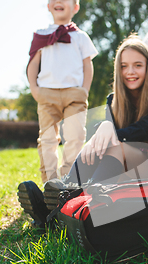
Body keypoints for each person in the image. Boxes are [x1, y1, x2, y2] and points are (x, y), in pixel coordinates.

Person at [19, 35, 148, 227]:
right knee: (98, 144)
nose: (130, 72)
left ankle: (68, 202)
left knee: (114, 146)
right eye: (124, 66)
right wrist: (104, 125)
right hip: (118, 165)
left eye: (137, 65)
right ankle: (57, 205)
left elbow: (146, 127)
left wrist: (110, 130)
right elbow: (104, 135)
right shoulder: (114, 100)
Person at [27, 0, 98, 183]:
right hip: (46, 94)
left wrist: (84, 90)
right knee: (48, 139)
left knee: (75, 136)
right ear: (49, 5)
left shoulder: (81, 37)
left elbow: (87, 66)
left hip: (74, 95)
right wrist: (34, 89)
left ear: (75, 7)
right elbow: (33, 64)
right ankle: (50, 182)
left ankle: (69, 180)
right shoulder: (41, 35)